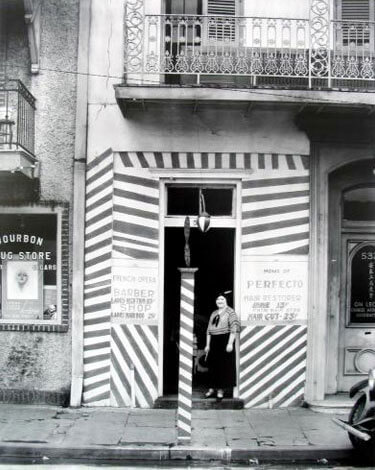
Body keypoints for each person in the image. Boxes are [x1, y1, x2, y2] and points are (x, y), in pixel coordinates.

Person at [204, 291, 240, 400]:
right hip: (214, 342)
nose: (219, 301)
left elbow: (234, 328)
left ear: (226, 300)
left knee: (222, 367)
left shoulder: (231, 312)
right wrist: (207, 345)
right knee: (212, 366)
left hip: (224, 341)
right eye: (218, 299)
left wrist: (230, 343)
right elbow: (209, 330)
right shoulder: (214, 313)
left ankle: (220, 391)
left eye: (222, 299)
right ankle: (211, 389)